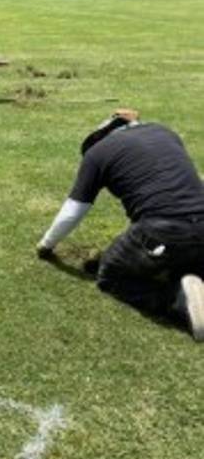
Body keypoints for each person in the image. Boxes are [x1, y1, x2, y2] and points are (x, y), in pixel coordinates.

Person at [37, 108, 204, 341]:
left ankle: (177, 300)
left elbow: (72, 212)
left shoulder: (97, 154)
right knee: (187, 257)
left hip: (164, 230)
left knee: (112, 275)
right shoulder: (164, 132)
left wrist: (46, 245)